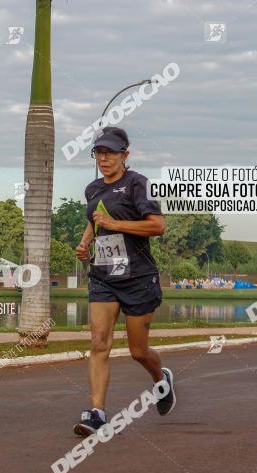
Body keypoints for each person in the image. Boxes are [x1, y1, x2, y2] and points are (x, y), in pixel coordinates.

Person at [73, 126, 176, 436]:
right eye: (98, 153)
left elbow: (158, 226)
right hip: (104, 276)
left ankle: (161, 380)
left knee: (138, 351)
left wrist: (114, 223)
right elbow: (96, 220)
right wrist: (85, 241)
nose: (103, 159)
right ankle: (97, 414)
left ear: (124, 155)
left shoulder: (138, 185)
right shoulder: (92, 189)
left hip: (138, 278)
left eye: (110, 153)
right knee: (99, 343)